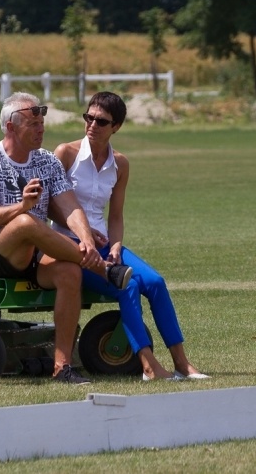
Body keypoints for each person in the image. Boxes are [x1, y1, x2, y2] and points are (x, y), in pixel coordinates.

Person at [0, 91, 133, 385]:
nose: (41, 129)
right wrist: (22, 206)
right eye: (33, 124)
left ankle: (62, 366)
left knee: (69, 272)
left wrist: (87, 241)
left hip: (34, 253)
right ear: (11, 127)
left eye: (42, 123)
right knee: (25, 222)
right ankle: (104, 269)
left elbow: (71, 208)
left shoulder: (47, 162)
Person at [54, 91, 209, 381]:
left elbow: (115, 216)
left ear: (116, 127)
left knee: (155, 282)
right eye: (88, 117)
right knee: (128, 285)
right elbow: (51, 205)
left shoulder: (121, 164)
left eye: (101, 121)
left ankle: (182, 363)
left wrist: (115, 246)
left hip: (105, 246)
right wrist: (85, 235)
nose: (92, 125)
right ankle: (149, 365)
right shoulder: (66, 153)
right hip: (70, 244)